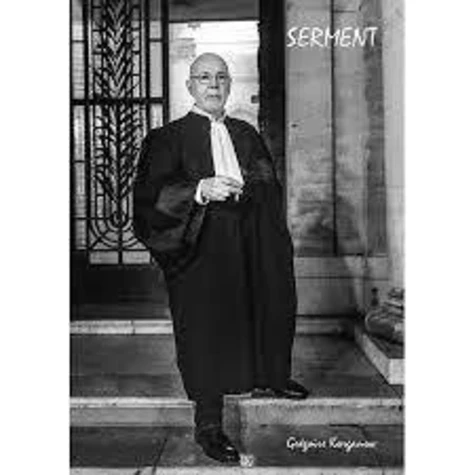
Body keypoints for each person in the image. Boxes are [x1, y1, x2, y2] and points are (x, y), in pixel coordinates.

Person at [133, 52, 308, 463]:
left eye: (221, 77)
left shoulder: (246, 134)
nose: (213, 84)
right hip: (199, 250)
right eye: (204, 77)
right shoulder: (167, 138)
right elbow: (148, 199)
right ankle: (209, 424)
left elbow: (268, 184)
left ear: (229, 84)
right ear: (190, 86)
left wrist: (256, 195)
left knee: (268, 304)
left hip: (252, 242)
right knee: (206, 332)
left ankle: (272, 375)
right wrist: (199, 189)